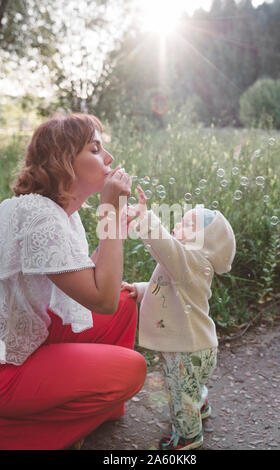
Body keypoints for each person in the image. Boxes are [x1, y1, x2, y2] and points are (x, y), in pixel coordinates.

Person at [0, 113, 147, 450]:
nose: (108, 158)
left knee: (125, 304)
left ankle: (98, 404)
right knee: (133, 370)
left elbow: (89, 284)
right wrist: (109, 212)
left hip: (24, 336)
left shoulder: (58, 212)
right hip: (5, 370)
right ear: (63, 162)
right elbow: (101, 299)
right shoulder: (38, 216)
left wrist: (116, 229)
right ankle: (18, 431)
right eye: (95, 149)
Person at [121, 186, 236, 450]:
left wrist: (145, 216)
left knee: (179, 391)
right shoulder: (186, 266)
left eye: (187, 226)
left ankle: (188, 436)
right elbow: (164, 287)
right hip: (196, 347)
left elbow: (165, 246)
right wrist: (140, 290)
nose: (177, 228)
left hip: (188, 351)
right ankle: (200, 403)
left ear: (204, 242)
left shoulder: (194, 262)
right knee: (191, 385)